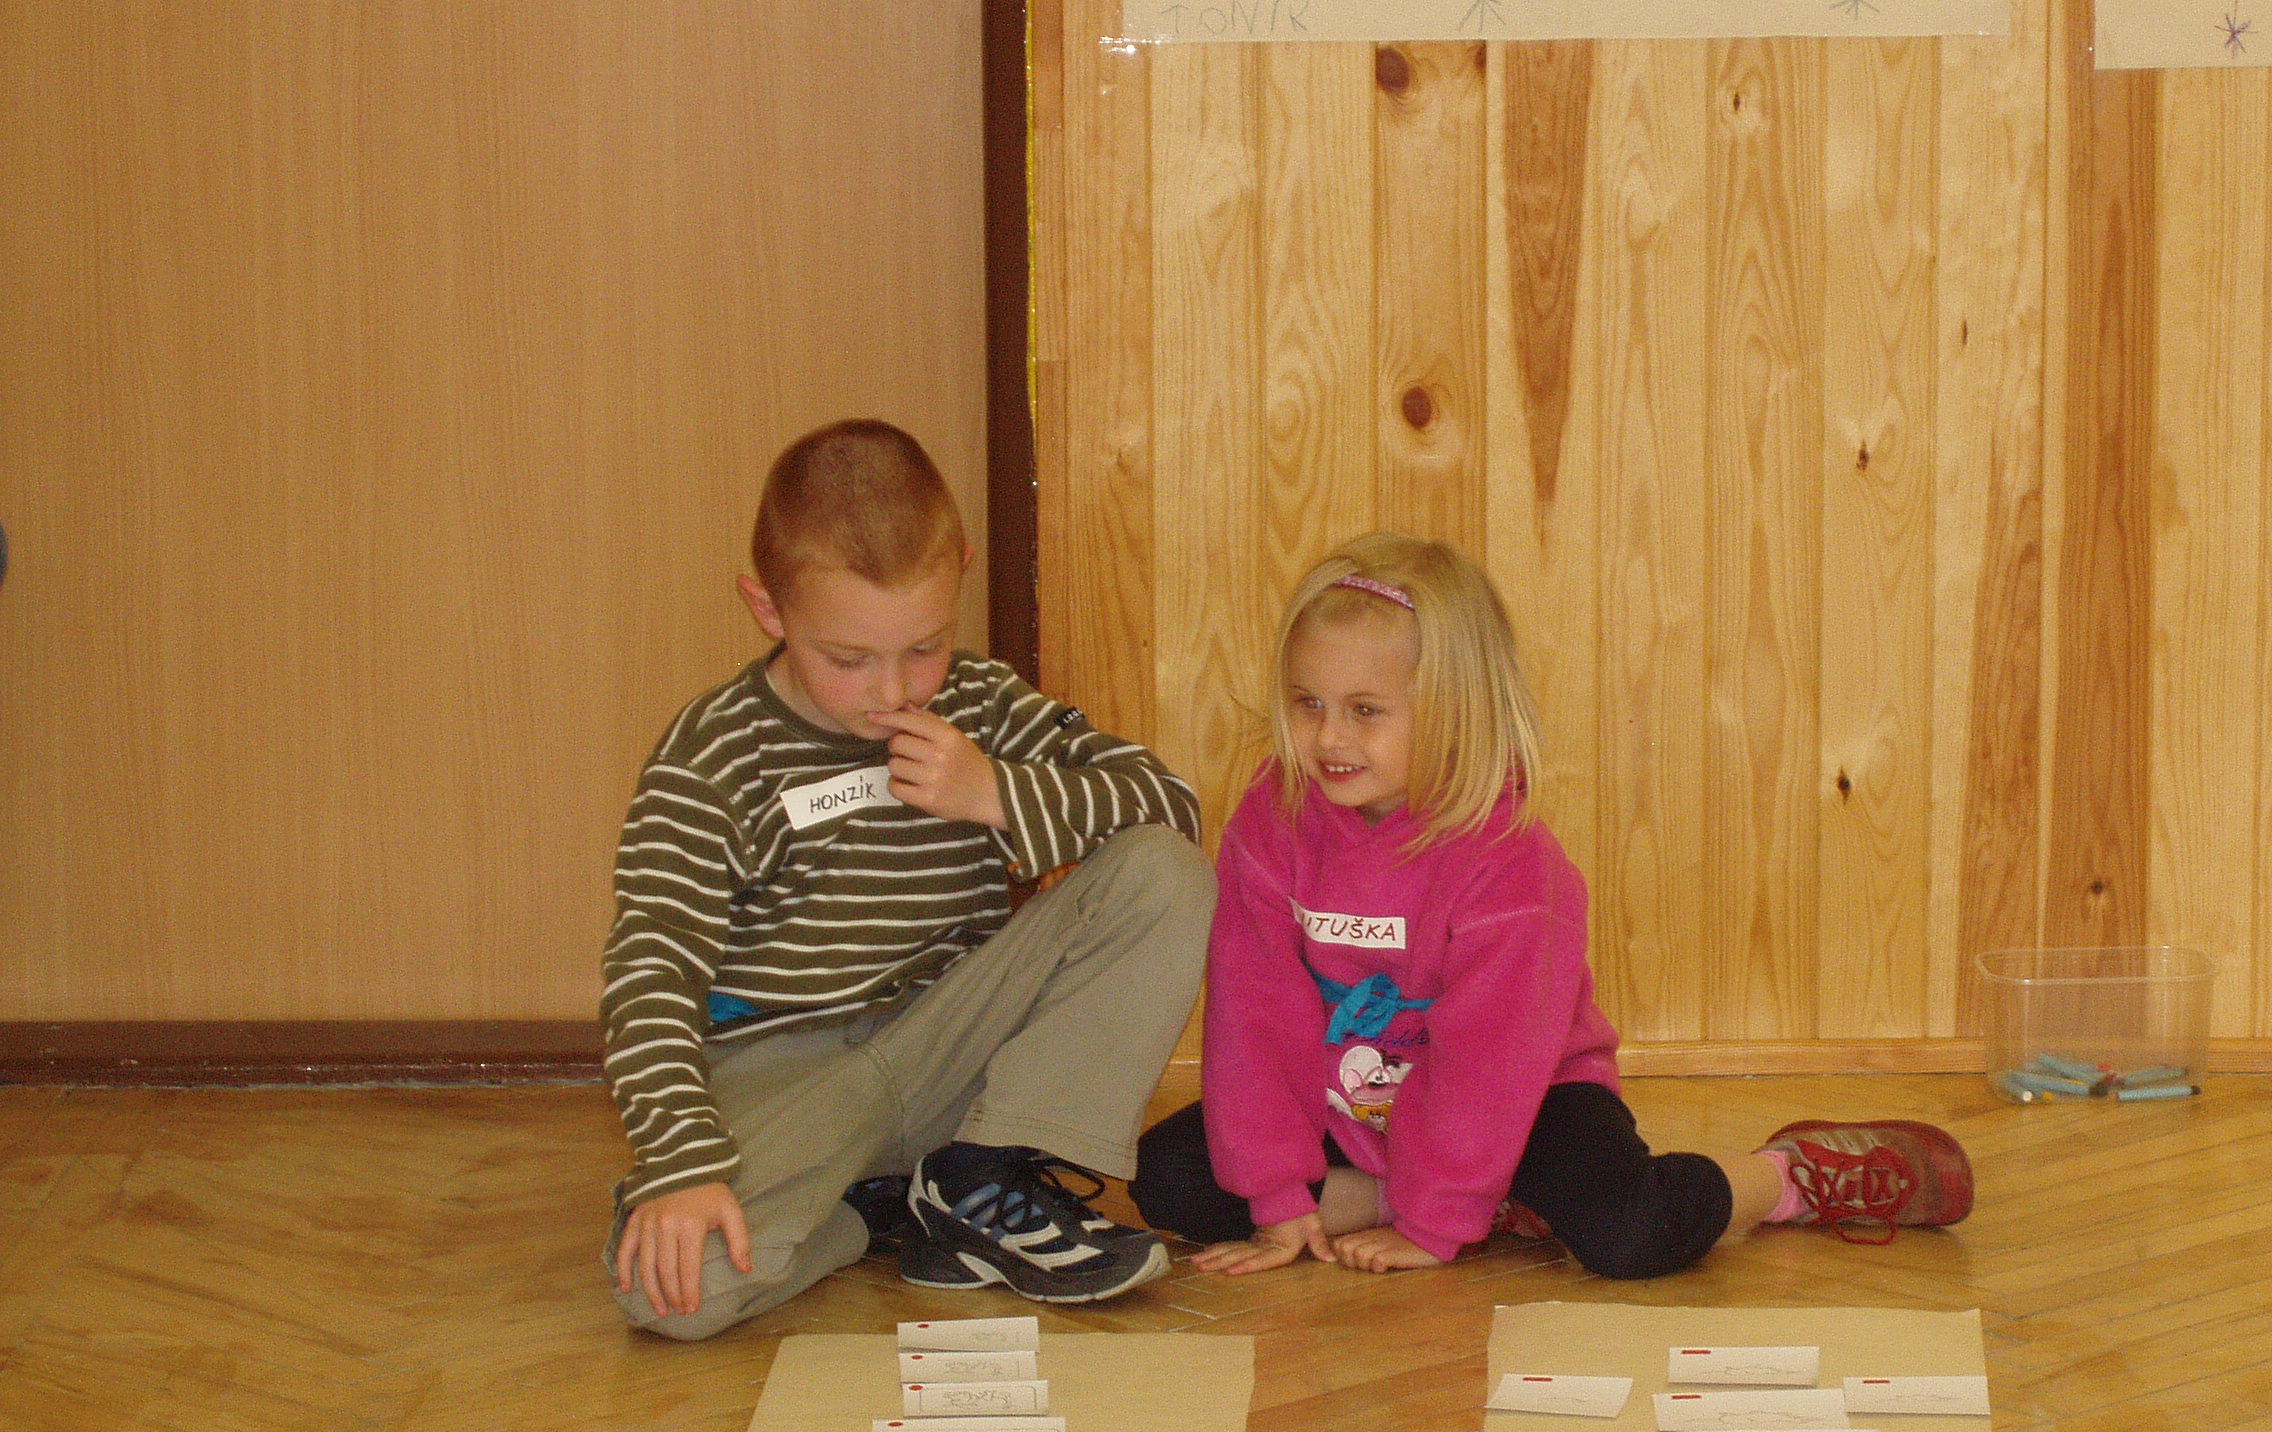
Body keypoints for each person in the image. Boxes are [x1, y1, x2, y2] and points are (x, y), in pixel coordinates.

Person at [1128, 532, 1971, 1280]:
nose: (1328, 738)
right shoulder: (1272, 821)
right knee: (1172, 1180)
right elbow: (1254, 1011)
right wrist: (1277, 1194)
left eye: (1366, 711)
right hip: (1349, 1101)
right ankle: (1475, 1200)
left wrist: (1433, 1223)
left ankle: (1787, 1176)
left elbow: (1487, 1064)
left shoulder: (1511, 863)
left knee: (1627, 1234)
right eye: (1307, 703)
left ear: (1455, 711)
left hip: (1524, 1098)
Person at [604, 420, 1212, 1338]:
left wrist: (997, 792)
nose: (894, 691)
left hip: (949, 1056)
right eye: (848, 660)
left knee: (1165, 873)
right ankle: (883, 1206)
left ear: (959, 574)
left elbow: (1169, 805)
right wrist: (683, 1166)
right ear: (767, 608)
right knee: (671, 1297)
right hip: (794, 1083)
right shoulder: (711, 758)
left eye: (924, 647)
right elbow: (649, 972)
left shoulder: (982, 704)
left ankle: (977, 1172)